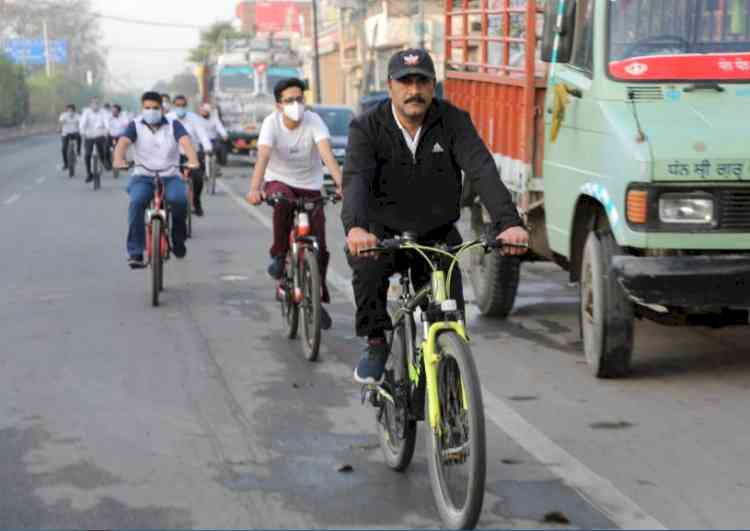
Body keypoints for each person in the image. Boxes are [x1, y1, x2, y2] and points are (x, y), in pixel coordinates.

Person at [342, 49, 529, 384]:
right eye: (405, 82)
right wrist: (357, 228)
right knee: (367, 273)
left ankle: (450, 386)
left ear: (433, 85)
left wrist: (508, 222)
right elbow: (355, 179)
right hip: (382, 237)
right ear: (390, 87)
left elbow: (482, 170)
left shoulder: (453, 121)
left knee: (450, 317)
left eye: (422, 81)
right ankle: (375, 342)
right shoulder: (366, 127)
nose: (414, 90)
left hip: (437, 236)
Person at [245, 77, 344, 331]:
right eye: (289, 100)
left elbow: (326, 154)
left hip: (311, 185)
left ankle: (316, 298)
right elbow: (263, 156)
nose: (296, 104)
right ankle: (279, 255)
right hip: (279, 181)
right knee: (282, 204)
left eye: (300, 99)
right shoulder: (271, 124)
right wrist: (255, 188)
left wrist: (342, 184)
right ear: (279, 105)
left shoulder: (314, 121)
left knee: (319, 247)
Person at [112, 91, 200, 269]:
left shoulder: (173, 124)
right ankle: (135, 252)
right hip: (143, 176)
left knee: (179, 200)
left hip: (170, 175)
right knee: (137, 202)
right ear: (142, 108)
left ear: (162, 108)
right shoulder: (135, 125)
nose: (151, 111)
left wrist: (193, 160)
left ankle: (178, 239)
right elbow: (123, 143)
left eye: (155, 108)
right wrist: (118, 159)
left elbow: (184, 141)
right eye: (147, 108)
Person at [168, 95, 213, 217]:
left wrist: (207, 148)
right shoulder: (168, 119)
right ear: (173, 106)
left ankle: (196, 202)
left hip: (193, 155)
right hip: (173, 156)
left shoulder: (194, 118)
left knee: (198, 178)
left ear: (186, 106)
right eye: (178, 105)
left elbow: (202, 135)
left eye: (183, 105)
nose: (180, 108)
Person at [79, 97, 112, 182]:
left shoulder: (103, 112)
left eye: (97, 103)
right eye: (93, 103)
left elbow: (107, 122)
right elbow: (82, 123)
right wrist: (82, 131)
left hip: (100, 134)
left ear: (99, 104)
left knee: (102, 152)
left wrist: (107, 130)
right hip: (89, 135)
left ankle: (104, 162)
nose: (95, 105)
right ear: (90, 104)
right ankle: (89, 174)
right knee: (87, 154)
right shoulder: (86, 112)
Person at [197, 102, 229, 167]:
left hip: (213, 140)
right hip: (201, 142)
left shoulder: (214, 118)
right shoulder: (197, 119)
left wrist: (224, 134)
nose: (204, 113)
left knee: (221, 147)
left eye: (205, 111)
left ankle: (219, 164)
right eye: (202, 111)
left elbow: (219, 127)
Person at [59, 104, 81, 172]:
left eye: (71, 110)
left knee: (79, 137)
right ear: (67, 110)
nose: (70, 111)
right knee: (63, 149)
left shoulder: (77, 116)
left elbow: (81, 123)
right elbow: (61, 122)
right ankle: (66, 164)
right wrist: (60, 128)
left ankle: (78, 151)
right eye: (68, 110)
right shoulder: (63, 115)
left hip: (74, 133)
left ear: (74, 110)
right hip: (65, 133)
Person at [107, 104, 130, 168]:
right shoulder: (108, 117)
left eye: (115, 111)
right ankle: (108, 162)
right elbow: (105, 125)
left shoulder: (123, 117)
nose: (113, 112)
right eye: (112, 111)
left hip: (120, 136)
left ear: (119, 112)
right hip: (110, 136)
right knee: (106, 148)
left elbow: (127, 124)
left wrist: (126, 127)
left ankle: (123, 160)